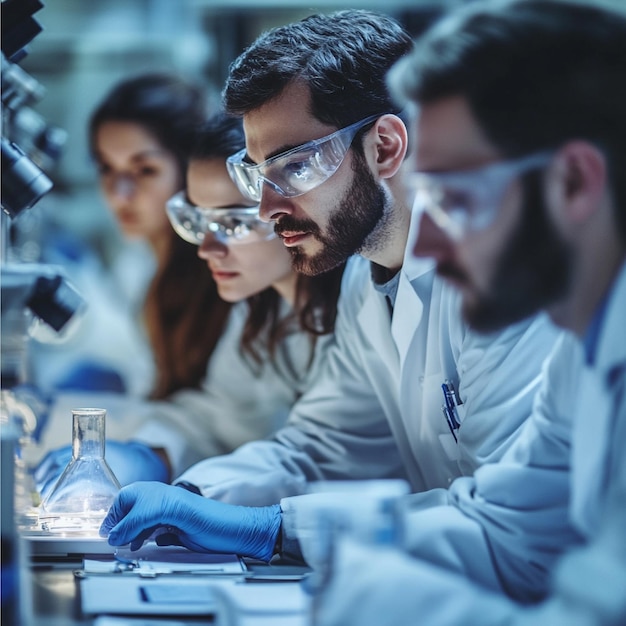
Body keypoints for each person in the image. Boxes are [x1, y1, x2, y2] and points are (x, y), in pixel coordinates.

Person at [99, 10, 561, 566]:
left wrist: (271, 529)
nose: (267, 209)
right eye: (258, 175)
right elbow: (320, 449)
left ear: (386, 148)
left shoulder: (510, 273)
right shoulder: (366, 281)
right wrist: (190, 497)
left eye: (293, 168)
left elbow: (510, 523)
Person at [312, 1, 626, 624]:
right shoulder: (581, 350)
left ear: (573, 182)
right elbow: (506, 532)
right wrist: (310, 539)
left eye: (455, 201)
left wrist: (373, 597)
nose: (425, 245)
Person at [36, 102, 344, 492]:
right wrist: (146, 456)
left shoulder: (346, 308)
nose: (206, 249)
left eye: (232, 222)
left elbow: (322, 455)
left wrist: (192, 493)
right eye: (199, 222)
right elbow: (218, 417)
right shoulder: (257, 310)